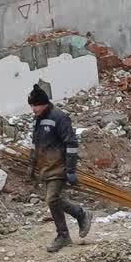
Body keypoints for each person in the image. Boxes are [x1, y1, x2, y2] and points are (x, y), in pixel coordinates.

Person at [27, 84, 92, 252]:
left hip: (59, 166)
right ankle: (71, 225)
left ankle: (73, 224)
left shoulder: (59, 117)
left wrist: (70, 170)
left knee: (52, 199)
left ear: (44, 103)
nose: (33, 109)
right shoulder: (39, 119)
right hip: (47, 168)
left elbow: (71, 144)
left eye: (36, 105)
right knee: (54, 201)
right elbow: (37, 145)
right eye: (32, 106)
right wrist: (32, 165)